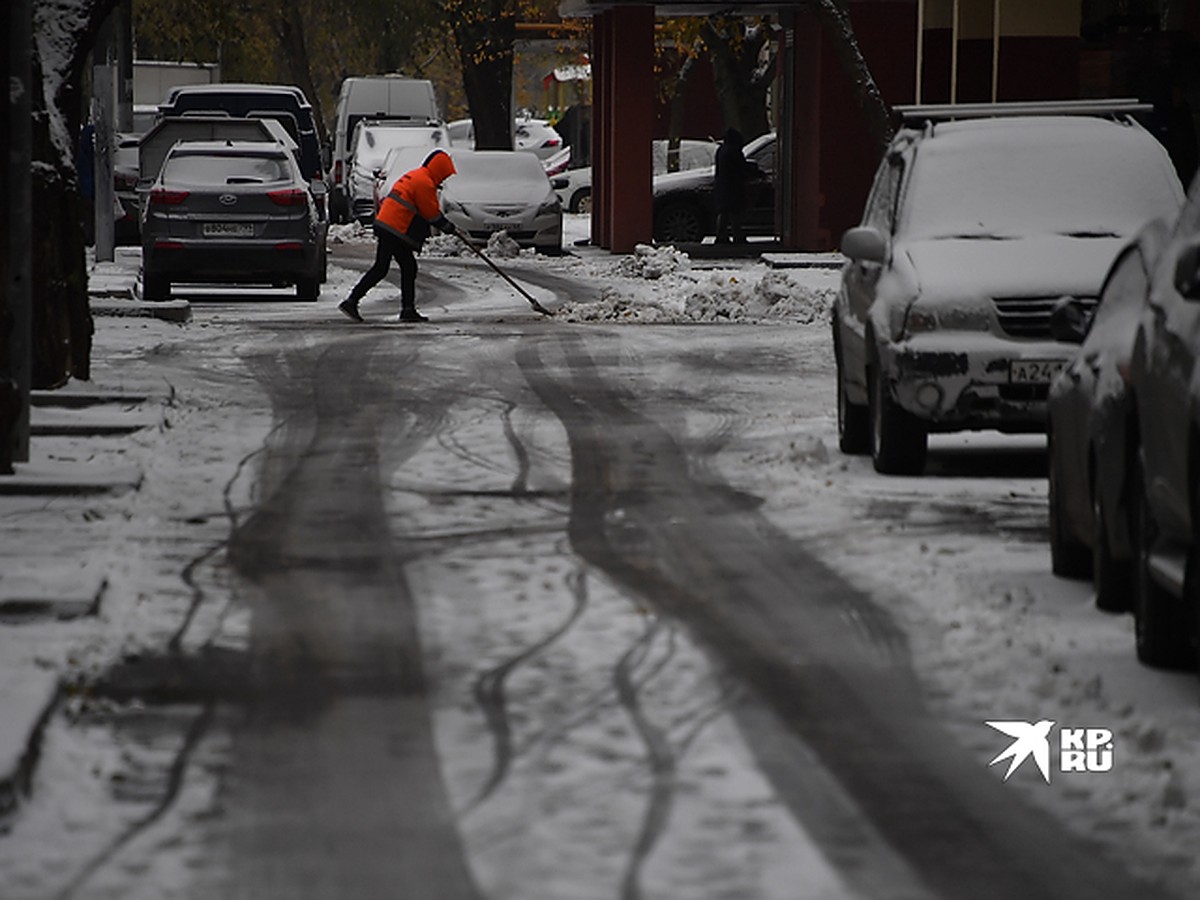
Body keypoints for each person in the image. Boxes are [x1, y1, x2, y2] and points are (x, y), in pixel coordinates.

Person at [338, 148, 460, 323]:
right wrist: (447, 226)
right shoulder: (424, 182)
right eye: (444, 175)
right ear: (438, 170)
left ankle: (407, 309)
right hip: (394, 228)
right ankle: (352, 301)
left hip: (388, 225)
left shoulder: (417, 175)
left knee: (407, 266)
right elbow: (430, 213)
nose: (444, 179)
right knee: (382, 268)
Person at [713, 128, 746, 245]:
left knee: (723, 212)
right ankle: (737, 235)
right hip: (733, 186)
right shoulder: (734, 151)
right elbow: (741, 167)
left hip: (722, 184)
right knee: (734, 212)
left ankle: (721, 235)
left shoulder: (721, 150)